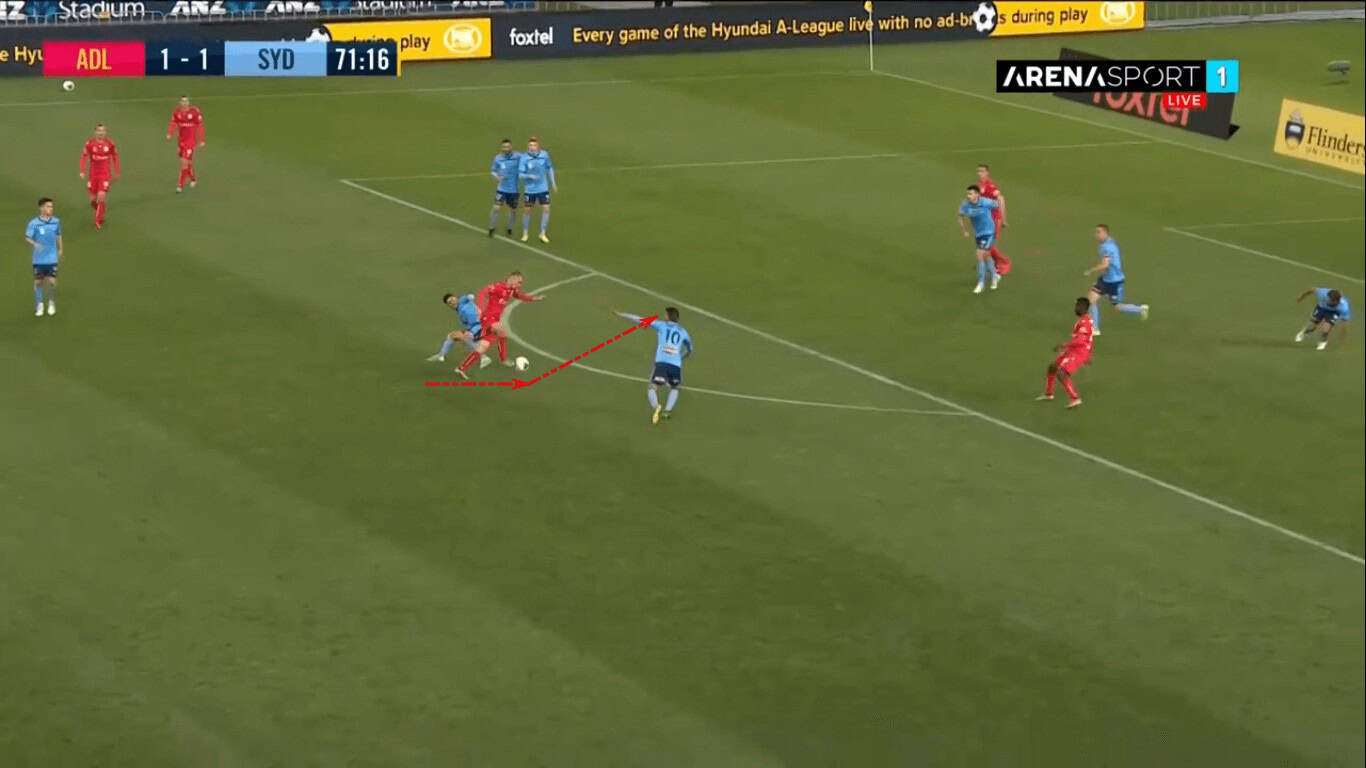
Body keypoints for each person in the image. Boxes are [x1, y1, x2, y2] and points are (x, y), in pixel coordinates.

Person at [454, 270, 544, 378]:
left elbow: (519, 295)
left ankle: (461, 368)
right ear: (513, 278)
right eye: (519, 282)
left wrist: (533, 298)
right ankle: (501, 357)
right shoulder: (498, 287)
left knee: (483, 347)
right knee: (501, 330)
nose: (520, 284)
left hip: (495, 319)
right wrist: (481, 308)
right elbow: (483, 293)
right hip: (488, 318)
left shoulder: (512, 289)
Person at [614, 306, 693, 424]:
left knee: (652, 387)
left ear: (667, 316)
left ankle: (656, 406)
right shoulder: (683, 331)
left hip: (661, 363)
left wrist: (622, 315)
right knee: (674, 387)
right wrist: (681, 357)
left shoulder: (661, 325)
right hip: (676, 365)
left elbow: (640, 319)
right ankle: (667, 410)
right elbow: (690, 349)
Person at [1082, 224, 1148, 335]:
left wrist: (1091, 270)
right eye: (1096, 232)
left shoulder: (1107, 247)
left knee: (1118, 307)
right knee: (1091, 300)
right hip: (1105, 279)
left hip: (1114, 282)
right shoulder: (1109, 242)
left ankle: (1141, 309)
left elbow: (1105, 265)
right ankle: (1095, 328)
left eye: (1098, 232)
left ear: (1105, 233)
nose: (1096, 235)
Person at [1037, 297, 1094, 409]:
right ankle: (1049, 394)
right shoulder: (1084, 320)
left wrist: (1063, 345)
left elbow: (1081, 341)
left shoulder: (1084, 322)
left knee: (1062, 374)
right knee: (1052, 367)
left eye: (1078, 306)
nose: (1076, 308)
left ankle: (1075, 398)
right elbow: (1088, 339)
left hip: (1078, 352)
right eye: (1076, 306)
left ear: (1084, 308)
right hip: (1075, 350)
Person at [957, 185, 1001, 294]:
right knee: (986, 255)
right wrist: (964, 230)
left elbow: (998, 204)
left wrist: (999, 220)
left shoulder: (986, 202)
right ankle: (995, 276)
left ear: (977, 194)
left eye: (970, 194)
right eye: (967, 194)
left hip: (989, 232)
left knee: (979, 254)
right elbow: (960, 217)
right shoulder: (965, 205)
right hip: (978, 234)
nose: (968, 196)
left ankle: (981, 283)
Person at [428, 292, 492, 366]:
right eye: (449, 303)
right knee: (452, 336)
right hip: (475, 328)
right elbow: (468, 324)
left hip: (481, 326)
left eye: (452, 299)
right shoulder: (458, 311)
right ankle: (441, 355)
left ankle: (484, 357)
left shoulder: (462, 300)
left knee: (464, 337)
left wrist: (470, 298)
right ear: (449, 306)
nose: (452, 302)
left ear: (456, 298)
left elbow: (470, 296)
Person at [25, 197, 62, 317]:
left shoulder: (56, 221)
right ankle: (39, 304)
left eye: (51, 206)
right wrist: (35, 244)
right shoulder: (34, 224)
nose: (51, 208)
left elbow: (58, 235)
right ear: (41, 208)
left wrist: (60, 248)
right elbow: (28, 237)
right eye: (48, 206)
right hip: (39, 258)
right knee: (38, 282)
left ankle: (51, 302)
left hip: (52, 257)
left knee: (51, 281)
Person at [78, 123, 120, 229]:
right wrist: (82, 170)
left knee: (101, 196)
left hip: (105, 174)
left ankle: (98, 220)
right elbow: (83, 157)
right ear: (95, 132)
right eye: (99, 130)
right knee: (92, 200)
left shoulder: (110, 144)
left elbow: (115, 157)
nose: (101, 133)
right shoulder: (90, 144)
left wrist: (117, 171)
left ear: (105, 132)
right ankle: (101, 211)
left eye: (103, 130)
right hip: (93, 174)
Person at [518, 137, 557, 243]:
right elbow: (520, 175)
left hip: (543, 188)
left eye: (534, 145)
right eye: (530, 145)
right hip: (530, 189)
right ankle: (525, 232)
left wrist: (553, 182)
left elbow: (550, 168)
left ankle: (542, 233)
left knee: (546, 209)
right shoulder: (524, 158)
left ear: (538, 146)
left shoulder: (544, 155)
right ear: (528, 146)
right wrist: (530, 176)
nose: (532, 147)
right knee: (527, 211)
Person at [975, 163, 1011, 275]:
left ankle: (1004, 263)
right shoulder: (978, 186)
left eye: (982, 171)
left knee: (988, 246)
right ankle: (994, 264)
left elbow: (1001, 199)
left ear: (987, 173)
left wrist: (1003, 219)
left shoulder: (990, 186)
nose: (980, 173)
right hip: (984, 221)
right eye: (978, 171)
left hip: (994, 220)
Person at [166, 95, 205, 193]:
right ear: (180, 103)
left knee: (184, 163)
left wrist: (202, 139)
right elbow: (173, 123)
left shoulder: (194, 112)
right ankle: (193, 179)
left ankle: (180, 186)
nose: (185, 103)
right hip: (181, 142)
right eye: (183, 101)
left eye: (186, 101)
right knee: (187, 163)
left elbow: (200, 125)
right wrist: (170, 133)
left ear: (188, 102)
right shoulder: (177, 112)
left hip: (190, 142)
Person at [488, 138, 522, 237]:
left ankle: (509, 228)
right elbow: (493, 171)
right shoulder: (497, 158)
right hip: (502, 189)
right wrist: (497, 177)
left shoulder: (518, 156)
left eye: (507, 147)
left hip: (514, 190)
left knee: (513, 210)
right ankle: (491, 227)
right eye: (504, 147)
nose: (506, 149)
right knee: (496, 208)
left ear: (511, 147)